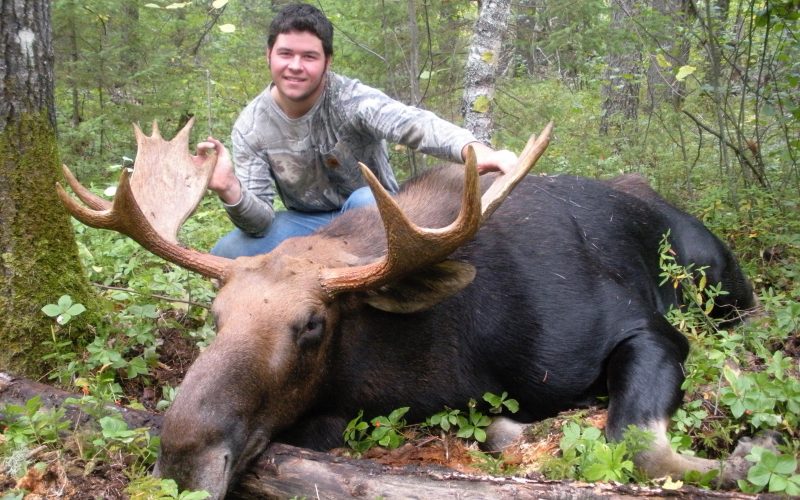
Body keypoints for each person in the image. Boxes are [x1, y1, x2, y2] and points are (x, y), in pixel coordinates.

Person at [197, 3, 518, 259]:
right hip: (307, 225)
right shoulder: (251, 126)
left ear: (327, 62)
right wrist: (230, 189)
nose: (295, 66)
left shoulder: (351, 100)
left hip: (371, 216)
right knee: (226, 254)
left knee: (366, 198)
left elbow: (413, 123)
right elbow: (261, 223)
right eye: (285, 54)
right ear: (269, 56)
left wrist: (473, 149)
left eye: (309, 56)